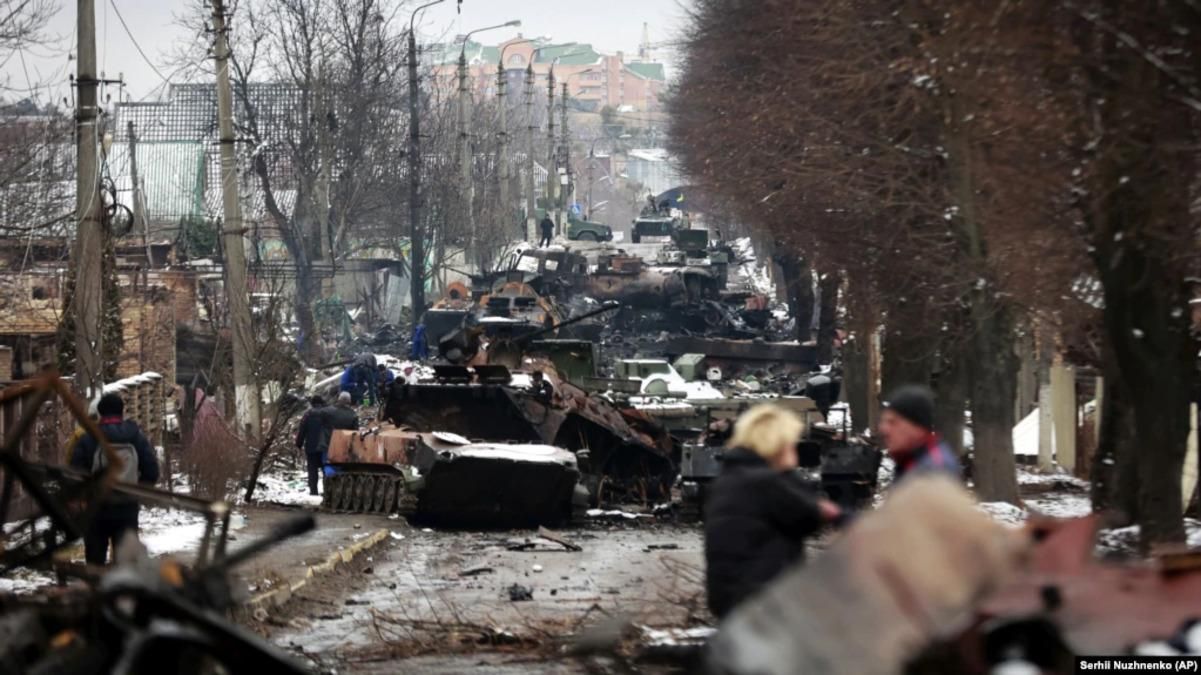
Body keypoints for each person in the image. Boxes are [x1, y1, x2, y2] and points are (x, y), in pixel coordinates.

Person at [703, 404, 841, 619]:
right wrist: (787, 473)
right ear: (777, 444)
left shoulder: (731, 477)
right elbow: (809, 517)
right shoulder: (764, 482)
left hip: (734, 598)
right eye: (790, 443)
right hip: (761, 601)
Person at [70, 393, 161, 566]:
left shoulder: (89, 438)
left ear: (100, 412)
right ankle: (122, 591)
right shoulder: (135, 437)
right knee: (125, 563)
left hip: (96, 509)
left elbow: (75, 474)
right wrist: (136, 492)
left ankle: (95, 591)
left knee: (95, 562)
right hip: (127, 508)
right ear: (122, 411)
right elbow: (152, 471)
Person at [878, 385, 962, 482]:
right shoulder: (910, 462)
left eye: (893, 422)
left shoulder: (935, 470)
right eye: (884, 422)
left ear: (916, 426)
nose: (884, 429)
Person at [295, 395, 329, 496]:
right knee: (325, 469)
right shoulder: (327, 414)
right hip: (325, 447)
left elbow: (302, 431)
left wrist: (299, 444)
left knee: (312, 470)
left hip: (311, 447)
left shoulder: (307, 415)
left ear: (312, 404)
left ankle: (313, 492)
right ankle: (327, 491)